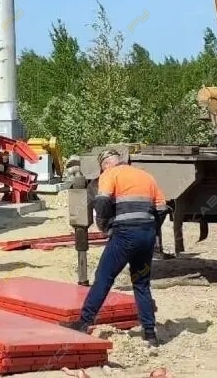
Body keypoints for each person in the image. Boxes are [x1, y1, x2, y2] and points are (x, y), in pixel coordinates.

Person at [70, 148, 167, 345]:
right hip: (147, 235)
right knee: (141, 282)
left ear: (106, 164)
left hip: (124, 234)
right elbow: (162, 208)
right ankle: (150, 333)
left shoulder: (110, 174)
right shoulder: (146, 176)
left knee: (104, 277)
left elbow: (102, 203)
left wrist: (107, 226)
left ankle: (84, 322)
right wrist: (150, 229)